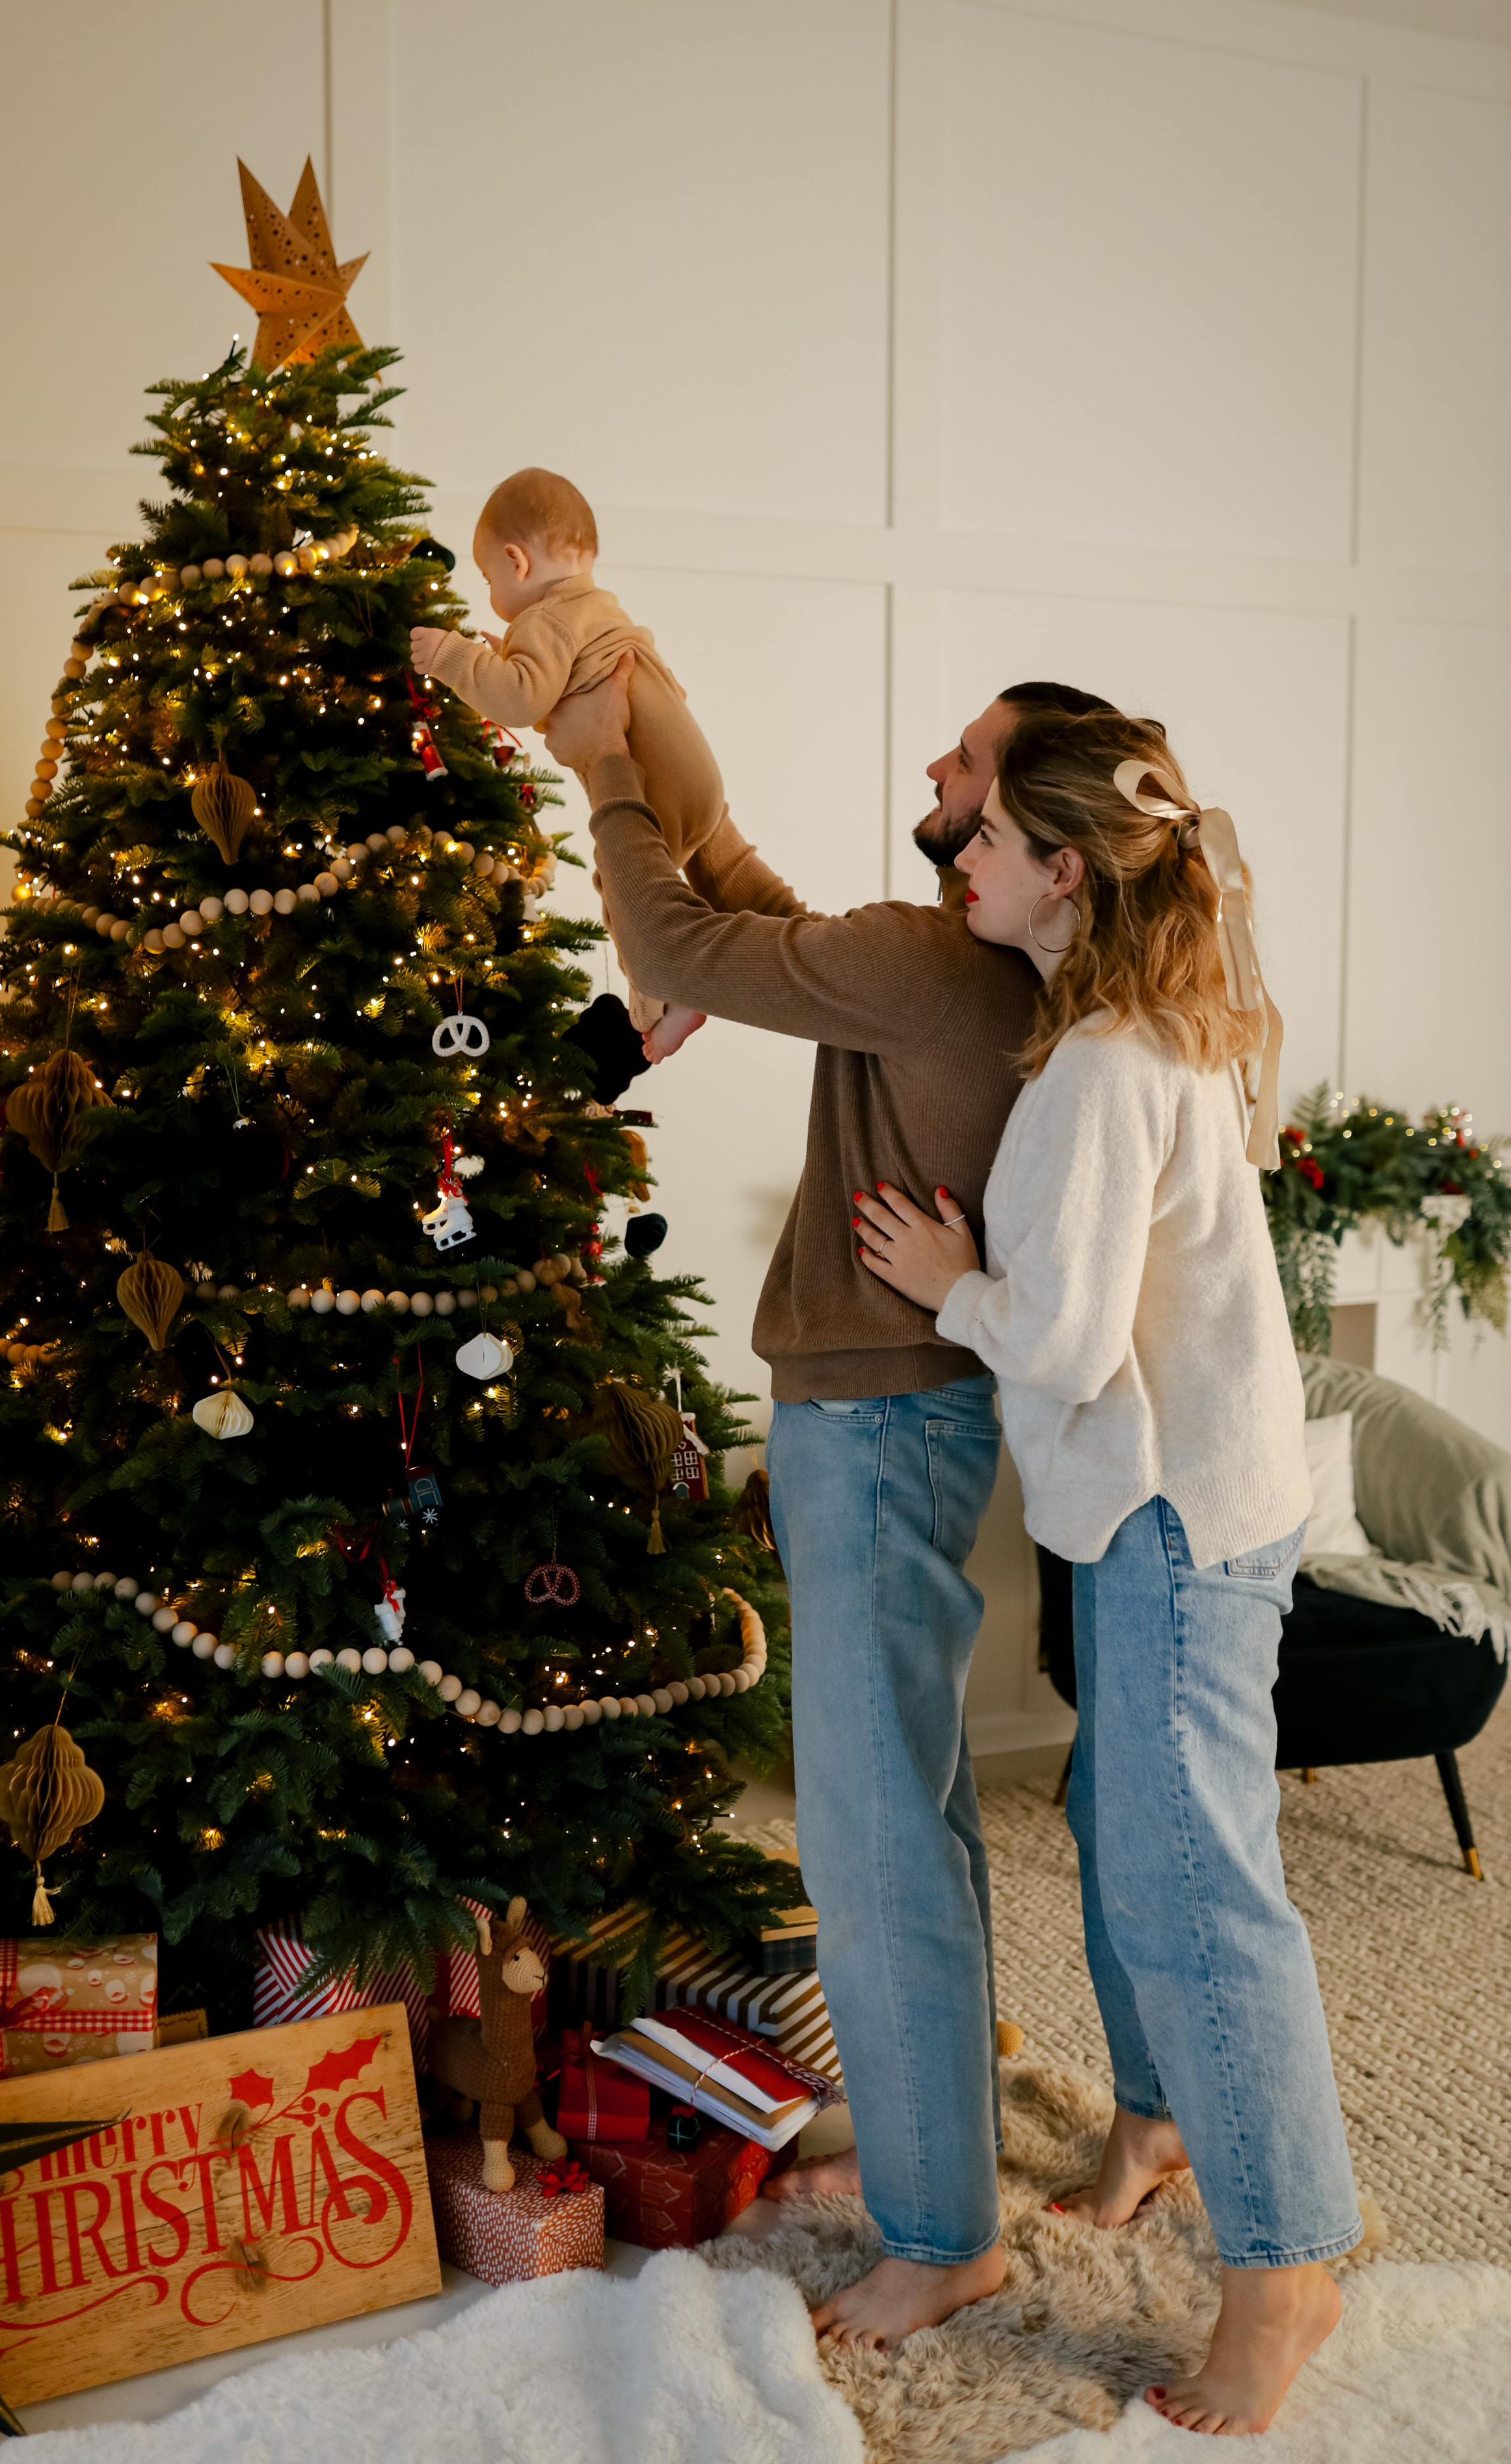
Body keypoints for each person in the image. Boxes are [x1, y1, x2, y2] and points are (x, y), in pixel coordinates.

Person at [542, 660, 1118, 2347]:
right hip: (904, 1423)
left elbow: (681, 942)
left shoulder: (938, 964)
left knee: (871, 1843)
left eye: (975, 764)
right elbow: (737, 889)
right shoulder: (952, 966)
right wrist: (636, 711)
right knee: (914, 1815)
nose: (939, 766)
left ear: (1044, 835)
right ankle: (939, 2163)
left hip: (871, 1430)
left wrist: (599, 778)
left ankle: (943, 2237)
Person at [851, 706, 1359, 2435]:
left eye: (980, 841)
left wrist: (946, 1278)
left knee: (1197, 1890)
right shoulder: (1163, 1021)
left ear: (1062, 870)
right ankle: (1157, 2120)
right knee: (1120, 1827)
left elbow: (1060, 1340)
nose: (958, 859)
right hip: (1208, 1488)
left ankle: (1284, 2269)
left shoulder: (1094, 1068)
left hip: (1173, 1519)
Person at [410, 466, 723, 1062]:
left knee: (623, 884)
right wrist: (507, 657)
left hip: (656, 786)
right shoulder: (596, 607)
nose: (494, 596)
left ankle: (666, 1000)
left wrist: (453, 658)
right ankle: (686, 977)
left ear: (516, 562)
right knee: (660, 886)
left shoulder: (544, 620)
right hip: (697, 779)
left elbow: (522, 699)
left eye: (488, 577)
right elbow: (557, 679)